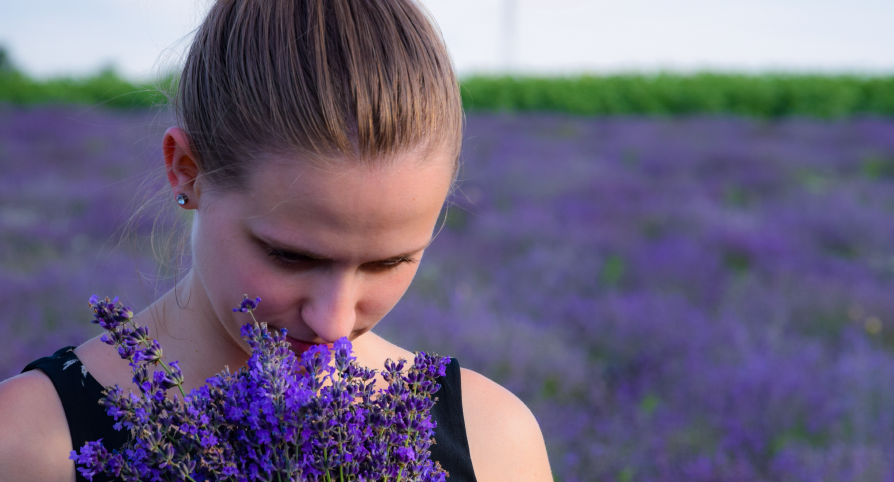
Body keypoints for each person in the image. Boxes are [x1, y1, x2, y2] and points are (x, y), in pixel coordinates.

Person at [0, 1, 553, 480]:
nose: (334, 325)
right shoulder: (27, 444)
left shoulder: (492, 441)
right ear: (188, 170)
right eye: (291, 256)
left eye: (389, 262)